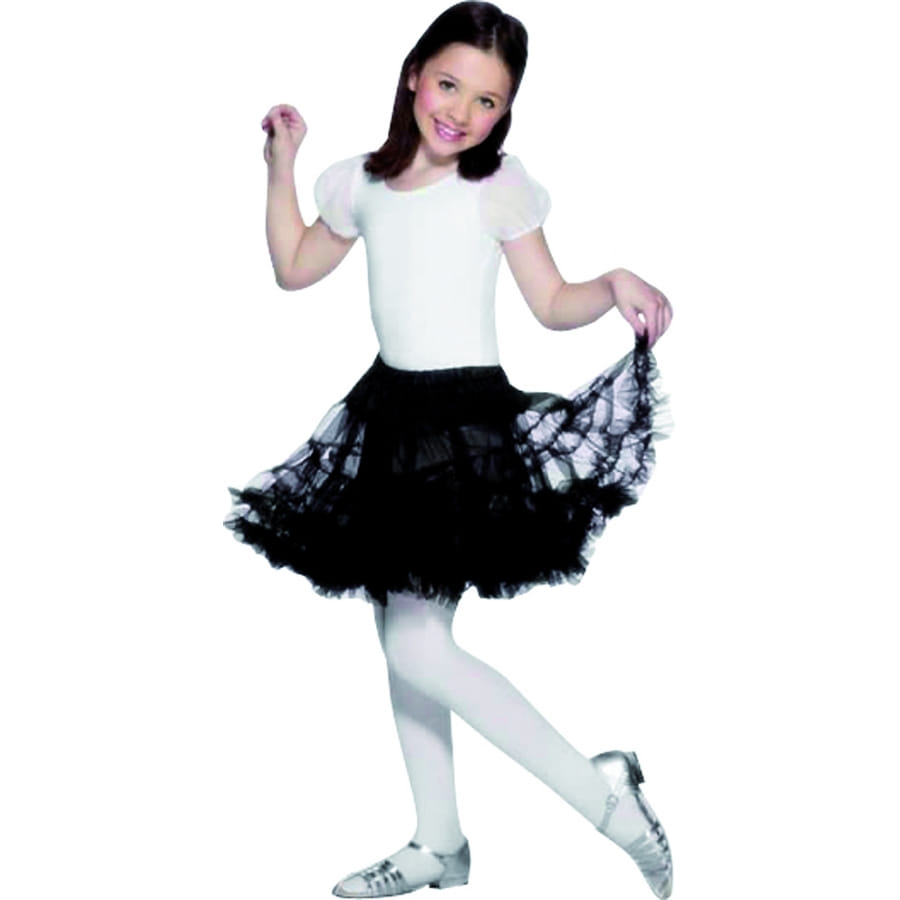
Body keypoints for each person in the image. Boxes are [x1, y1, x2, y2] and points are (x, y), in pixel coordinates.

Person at [225, 2, 674, 897]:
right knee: (405, 638)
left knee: (417, 646)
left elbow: (551, 301)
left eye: (487, 100)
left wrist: (612, 281)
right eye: (449, 84)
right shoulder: (361, 183)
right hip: (388, 421)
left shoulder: (495, 187)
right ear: (413, 76)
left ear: (505, 112)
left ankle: (605, 797)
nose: (462, 111)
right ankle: (439, 843)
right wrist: (282, 166)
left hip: (461, 429)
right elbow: (295, 267)